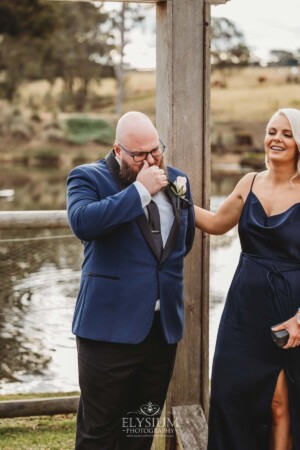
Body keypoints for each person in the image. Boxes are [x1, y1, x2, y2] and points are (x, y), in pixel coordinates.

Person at [67, 111, 195, 450]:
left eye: (155, 150)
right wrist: (139, 191)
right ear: (118, 150)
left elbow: (181, 244)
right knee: (99, 432)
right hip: (108, 329)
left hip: (161, 329)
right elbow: (83, 223)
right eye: (139, 155)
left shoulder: (178, 181)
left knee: (140, 429)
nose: (150, 160)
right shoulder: (87, 177)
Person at [195, 108, 300, 450]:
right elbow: (215, 223)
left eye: (287, 133)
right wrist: (173, 195)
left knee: (280, 403)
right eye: (272, 131)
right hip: (243, 309)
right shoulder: (249, 182)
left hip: (289, 313)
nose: (277, 139)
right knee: (228, 394)